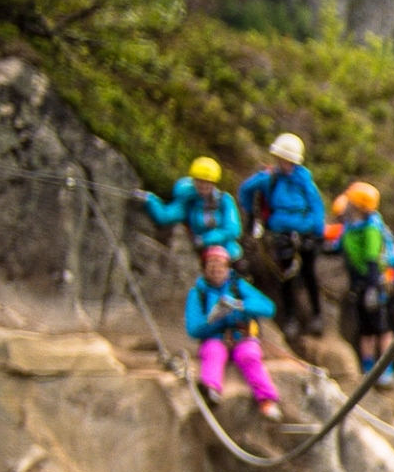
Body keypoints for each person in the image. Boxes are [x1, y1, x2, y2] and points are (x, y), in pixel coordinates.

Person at [239, 131, 331, 340]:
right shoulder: (269, 178)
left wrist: (317, 233)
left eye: (288, 160)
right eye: (282, 159)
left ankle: (317, 315)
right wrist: (252, 214)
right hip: (280, 233)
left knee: (308, 273)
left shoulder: (304, 180)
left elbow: (317, 206)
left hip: (304, 232)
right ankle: (290, 318)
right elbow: (245, 190)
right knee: (286, 276)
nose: (284, 164)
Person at [182, 244, 284, 421]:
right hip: (215, 338)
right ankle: (211, 389)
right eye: (211, 267)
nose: (216, 271)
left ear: (227, 268)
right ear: (204, 269)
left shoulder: (238, 286)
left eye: (220, 267)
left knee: (249, 355)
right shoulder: (198, 293)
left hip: (242, 337)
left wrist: (240, 306)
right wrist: (213, 319)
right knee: (213, 353)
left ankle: (267, 399)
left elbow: (268, 307)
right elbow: (193, 328)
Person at [330, 182, 394, 383]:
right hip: (360, 282)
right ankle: (368, 366)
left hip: (376, 282)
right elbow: (341, 244)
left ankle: (386, 369)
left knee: (381, 328)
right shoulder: (352, 224)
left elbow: (372, 259)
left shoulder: (372, 228)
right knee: (365, 328)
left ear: (357, 205)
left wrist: (373, 289)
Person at [140, 156, 243, 261]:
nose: (203, 185)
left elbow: (232, 230)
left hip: (225, 252)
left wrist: (205, 240)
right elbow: (165, 216)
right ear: (193, 181)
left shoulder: (224, 200)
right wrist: (150, 200)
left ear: (214, 183)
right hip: (197, 251)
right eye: (199, 181)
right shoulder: (189, 201)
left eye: (207, 182)